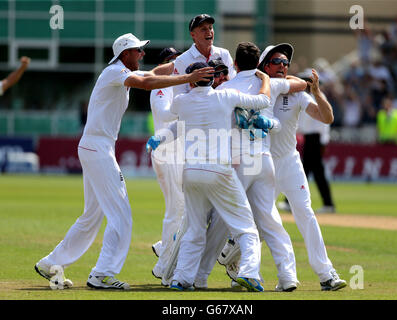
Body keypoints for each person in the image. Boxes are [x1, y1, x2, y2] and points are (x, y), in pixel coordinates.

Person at [34, 33, 214, 290]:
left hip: (94, 146)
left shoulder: (121, 72)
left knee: (91, 216)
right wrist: (188, 77)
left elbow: (152, 74)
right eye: (138, 51)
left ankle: (50, 262)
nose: (142, 54)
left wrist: (187, 61)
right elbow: (147, 84)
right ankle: (103, 273)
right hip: (97, 147)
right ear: (125, 54)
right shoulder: (114, 72)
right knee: (121, 215)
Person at [194, 42, 308, 292]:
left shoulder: (225, 87)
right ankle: (288, 276)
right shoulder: (269, 83)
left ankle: (201, 276)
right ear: (258, 64)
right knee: (269, 219)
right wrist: (272, 79)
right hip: (264, 160)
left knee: (224, 221)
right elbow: (302, 84)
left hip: (238, 162)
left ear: (235, 64)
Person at [149, 61, 272, 292]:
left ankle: (182, 279)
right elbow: (263, 101)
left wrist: (161, 136)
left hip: (191, 173)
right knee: (246, 228)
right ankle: (249, 273)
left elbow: (173, 120)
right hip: (219, 171)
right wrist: (264, 79)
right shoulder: (225, 96)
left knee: (194, 229)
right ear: (213, 78)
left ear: (192, 79)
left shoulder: (181, 101)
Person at [258, 43, 347, 291]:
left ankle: (326, 274)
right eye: (277, 61)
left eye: (286, 62)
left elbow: (327, 118)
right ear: (265, 65)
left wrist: (317, 92)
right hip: (263, 163)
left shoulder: (297, 93)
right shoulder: (257, 90)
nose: (283, 66)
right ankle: (245, 271)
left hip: (289, 161)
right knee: (258, 223)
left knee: (305, 214)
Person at [148, 47, 185, 282]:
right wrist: (188, 107)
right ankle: (164, 266)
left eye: (176, 60)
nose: (174, 65)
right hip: (166, 152)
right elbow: (164, 112)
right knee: (175, 209)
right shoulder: (161, 85)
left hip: (175, 152)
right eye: (170, 61)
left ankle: (165, 247)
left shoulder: (177, 86)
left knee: (182, 209)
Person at [297, 69, 336, 214]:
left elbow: (325, 122)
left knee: (313, 172)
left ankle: (328, 204)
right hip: (310, 138)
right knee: (306, 170)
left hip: (316, 138)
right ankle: (327, 203)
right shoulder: (305, 96)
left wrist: (324, 142)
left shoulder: (318, 96)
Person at [172, 13, 236, 96]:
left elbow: (232, 83)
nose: (209, 32)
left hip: (223, 106)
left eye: (210, 28)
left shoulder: (224, 54)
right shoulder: (182, 60)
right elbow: (179, 94)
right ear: (193, 34)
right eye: (203, 29)